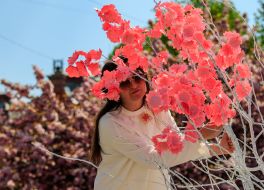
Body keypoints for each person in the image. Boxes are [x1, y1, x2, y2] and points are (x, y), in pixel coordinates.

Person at [90, 60, 234, 190]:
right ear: (113, 89)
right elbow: (153, 159)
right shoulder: (110, 123)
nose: (133, 84)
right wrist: (199, 135)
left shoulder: (158, 108)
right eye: (124, 82)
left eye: (137, 76)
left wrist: (219, 149)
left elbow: (177, 149)